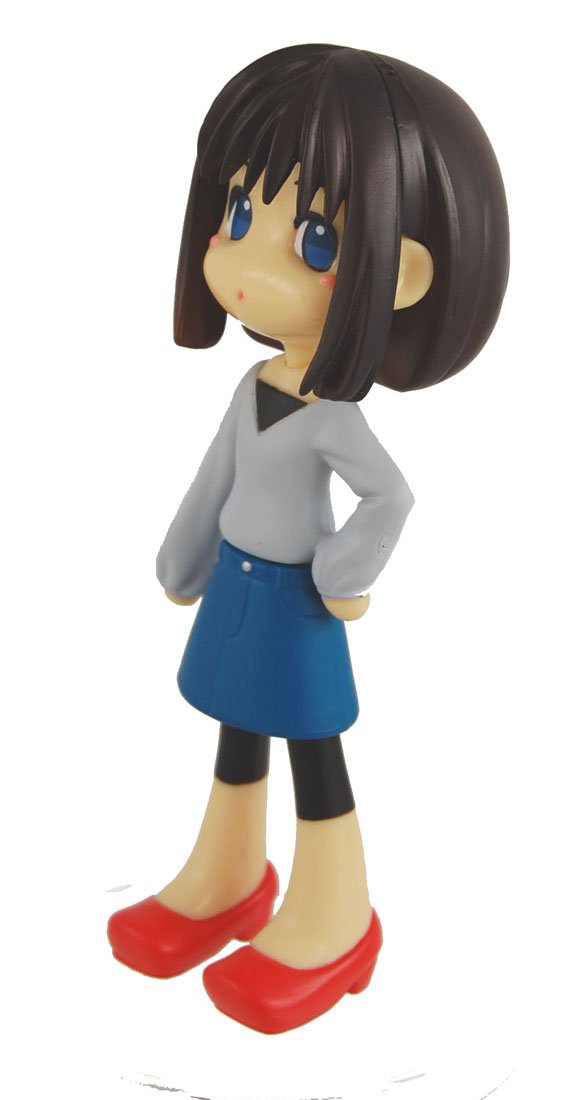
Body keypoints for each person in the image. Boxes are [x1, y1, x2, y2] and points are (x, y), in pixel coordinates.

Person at [107, 44, 509, 1034]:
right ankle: (227, 876)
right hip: (235, 589)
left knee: (314, 752)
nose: (247, 265)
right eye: (239, 216)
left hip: (293, 603)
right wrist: (183, 555)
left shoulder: (334, 417)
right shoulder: (252, 387)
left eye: (314, 241)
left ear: (401, 272)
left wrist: (342, 572)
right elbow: (215, 475)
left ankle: (337, 918)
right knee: (234, 729)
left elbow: (390, 496)